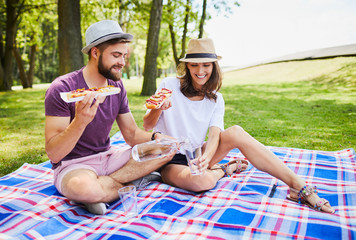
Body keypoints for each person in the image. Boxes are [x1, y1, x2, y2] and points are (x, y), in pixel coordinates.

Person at [143, 38, 335, 213]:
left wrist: (206, 158)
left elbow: (215, 133)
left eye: (206, 65)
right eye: (194, 65)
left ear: (214, 66)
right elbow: (146, 125)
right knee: (201, 181)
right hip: (170, 159)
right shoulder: (169, 85)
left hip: (197, 154)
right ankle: (223, 170)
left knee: (236, 132)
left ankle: (298, 186)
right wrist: (158, 108)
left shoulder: (216, 99)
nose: (200, 71)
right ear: (187, 66)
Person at [44, 20, 175, 215]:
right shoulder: (62, 88)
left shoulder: (117, 87)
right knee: (83, 187)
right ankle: (124, 184)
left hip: (109, 158)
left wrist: (157, 139)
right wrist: (80, 122)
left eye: (123, 55)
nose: (122, 62)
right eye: (116, 55)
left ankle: (103, 191)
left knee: (166, 151)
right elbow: (54, 154)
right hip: (75, 165)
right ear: (95, 53)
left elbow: (131, 134)